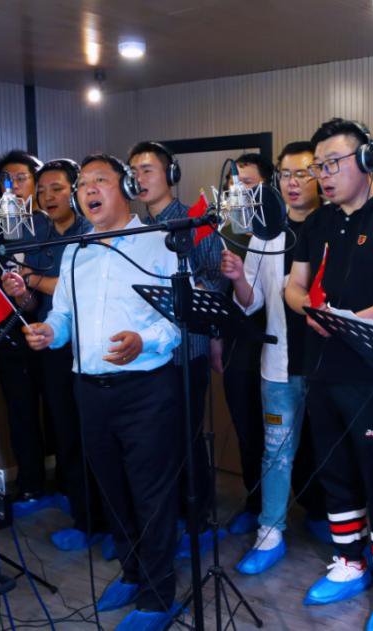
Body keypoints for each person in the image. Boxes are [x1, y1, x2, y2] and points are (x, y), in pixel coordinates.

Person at [24, 154, 183, 629]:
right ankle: (132, 573)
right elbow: (63, 316)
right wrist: (50, 332)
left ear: (126, 187)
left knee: (151, 495)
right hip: (89, 389)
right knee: (111, 489)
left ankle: (157, 597)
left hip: (147, 390)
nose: (88, 190)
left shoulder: (160, 243)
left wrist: (143, 341)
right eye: (83, 184)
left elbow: (179, 320)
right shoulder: (77, 252)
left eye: (100, 181)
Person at [285, 118, 373, 630]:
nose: (323, 176)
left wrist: (349, 323)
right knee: (335, 472)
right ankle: (349, 561)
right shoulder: (316, 224)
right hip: (321, 371)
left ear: (366, 160)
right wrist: (308, 309)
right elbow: (293, 286)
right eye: (318, 167)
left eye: (333, 164)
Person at [220, 142, 328, 574]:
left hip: (328, 366)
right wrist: (236, 278)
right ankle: (270, 532)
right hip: (279, 364)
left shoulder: (333, 229)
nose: (293, 182)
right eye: (285, 174)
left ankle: (335, 525)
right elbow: (251, 302)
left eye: (303, 173)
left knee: (329, 452)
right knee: (275, 451)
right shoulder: (267, 236)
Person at [2, 158, 110, 554]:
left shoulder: (92, 231)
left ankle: (112, 523)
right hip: (54, 345)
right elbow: (35, 302)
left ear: (76, 191)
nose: (48, 196)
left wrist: (33, 278)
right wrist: (21, 291)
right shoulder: (37, 233)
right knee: (66, 436)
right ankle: (86, 521)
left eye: (58, 188)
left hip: (94, 347)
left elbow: (77, 286)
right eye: (43, 189)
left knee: (97, 438)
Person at [128, 140, 228, 558]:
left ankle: (198, 519)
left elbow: (218, 283)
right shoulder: (133, 226)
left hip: (186, 349)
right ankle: (165, 520)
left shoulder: (194, 222)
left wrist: (189, 290)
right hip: (146, 354)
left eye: (148, 169)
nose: (139, 178)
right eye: (134, 171)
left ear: (170, 174)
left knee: (187, 439)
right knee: (157, 443)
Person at [0, 150, 56, 516]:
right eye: (6, 180)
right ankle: (29, 485)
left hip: (50, 329)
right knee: (19, 411)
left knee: (58, 411)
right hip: (8, 331)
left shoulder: (51, 223)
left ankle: (65, 484)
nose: (12, 186)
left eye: (21, 178)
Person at [218, 152, 270, 537]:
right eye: (234, 187)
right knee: (248, 429)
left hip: (281, 342)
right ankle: (254, 504)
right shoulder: (224, 230)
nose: (240, 193)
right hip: (238, 342)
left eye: (249, 184)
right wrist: (215, 339)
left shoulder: (281, 230)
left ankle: (312, 509)